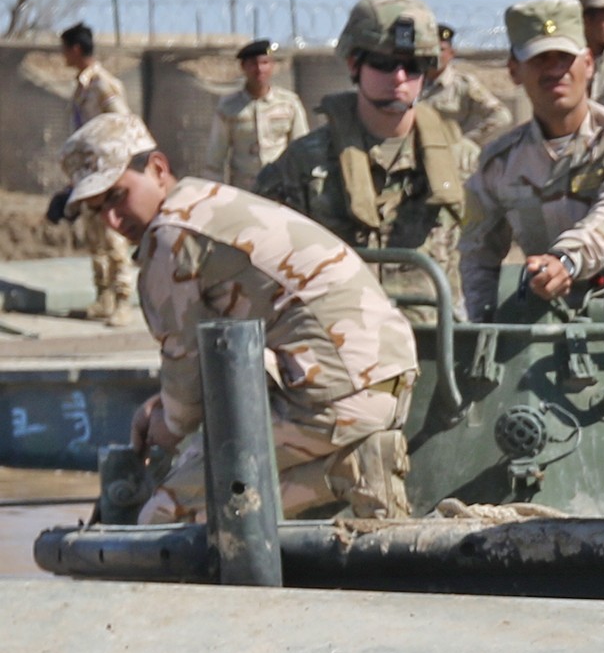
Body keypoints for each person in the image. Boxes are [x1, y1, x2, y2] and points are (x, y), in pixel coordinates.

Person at [53, 115, 416, 523]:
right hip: (384, 377)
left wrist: (165, 424)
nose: (114, 221)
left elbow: (183, 389)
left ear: (157, 168)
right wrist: (166, 409)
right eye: (98, 210)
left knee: (162, 515)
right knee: (209, 466)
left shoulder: (170, 238)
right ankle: (349, 469)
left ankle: (348, 472)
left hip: (334, 397)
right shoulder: (209, 202)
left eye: (118, 197)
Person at [459, 0, 604, 320]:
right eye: (540, 59)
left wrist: (566, 260)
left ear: (588, 64)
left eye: (565, 57)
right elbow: (478, 257)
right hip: (540, 324)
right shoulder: (498, 162)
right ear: (514, 70)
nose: (555, 69)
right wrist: (484, 329)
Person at [259, 0, 471, 299]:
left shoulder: (463, 163)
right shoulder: (305, 163)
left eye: (413, 66)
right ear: (354, 63)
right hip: (340, 333)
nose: (399, 77)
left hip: (435, 337)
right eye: (383, 63)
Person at [57, 23, 135, 323]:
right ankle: (103, 296)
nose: (63, 55)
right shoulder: (82, 87)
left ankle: (123, 300)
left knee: (113, 236)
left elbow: (121, 123)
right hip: (87, 174)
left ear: (76, 49)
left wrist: (113, 168)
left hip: (107, 172)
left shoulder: (104, 84)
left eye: (65, 49)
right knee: (94, 236)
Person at [204, 41, 306, 188]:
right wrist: (214, 194)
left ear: (272, 66)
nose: (259, 69)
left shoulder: (289, 104)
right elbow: (215, 158)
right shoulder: (229, 107)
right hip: (244, 191)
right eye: (253, 64)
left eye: (264, 63)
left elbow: (301, 149)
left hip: (281, 189)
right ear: (243, 67)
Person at [430, 24, 517, 153]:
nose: (436, 55)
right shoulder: (412, 84)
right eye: (432, 50)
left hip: (450, 157)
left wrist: (465, 142)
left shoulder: (463, 84)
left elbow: (501, 116)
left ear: (451, 53)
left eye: (442, 50)